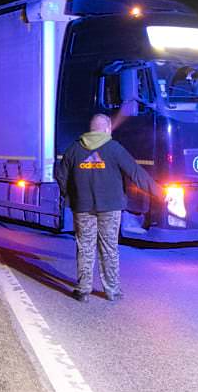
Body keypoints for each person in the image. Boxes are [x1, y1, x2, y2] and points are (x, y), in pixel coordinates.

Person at [54, 114, 161, 302]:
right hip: (110, 208)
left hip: (83, 207)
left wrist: (70, 195)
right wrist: (160, 194)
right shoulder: (114, 149)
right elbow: (136, 174)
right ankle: (112, 291)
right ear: (107, 129)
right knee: (109, 248)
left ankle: (83, 290)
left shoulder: (74, 149)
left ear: (91, 129)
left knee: (85, 247)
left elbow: (61, 174)